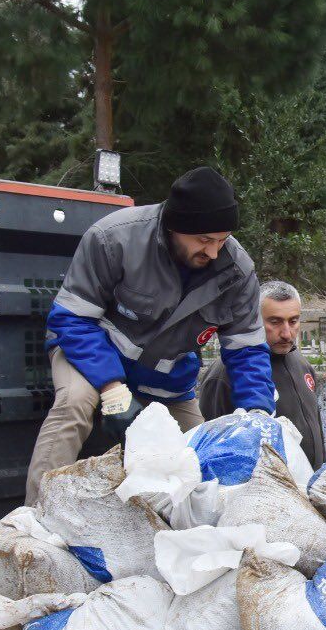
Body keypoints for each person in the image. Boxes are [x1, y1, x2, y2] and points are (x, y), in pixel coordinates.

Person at [24, 167, 275, 504]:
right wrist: (112, 389)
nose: (214, 252)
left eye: (221, 240)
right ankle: (35, 521)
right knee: (74, 404)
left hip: (166, 381)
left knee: (200, 456)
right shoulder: (113, 238)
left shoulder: (237, 270)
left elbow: (246, 349)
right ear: (175, 227)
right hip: (90, 356)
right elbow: (72, 319)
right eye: (203, 240)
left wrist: (258, 417)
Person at [198, 280, 326, 468]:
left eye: (293, 321)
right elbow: (210, 449)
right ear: (254, 320)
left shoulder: (302, 364)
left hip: (307, 485)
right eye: (275, 322)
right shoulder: (225, 374)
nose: (286, 333)